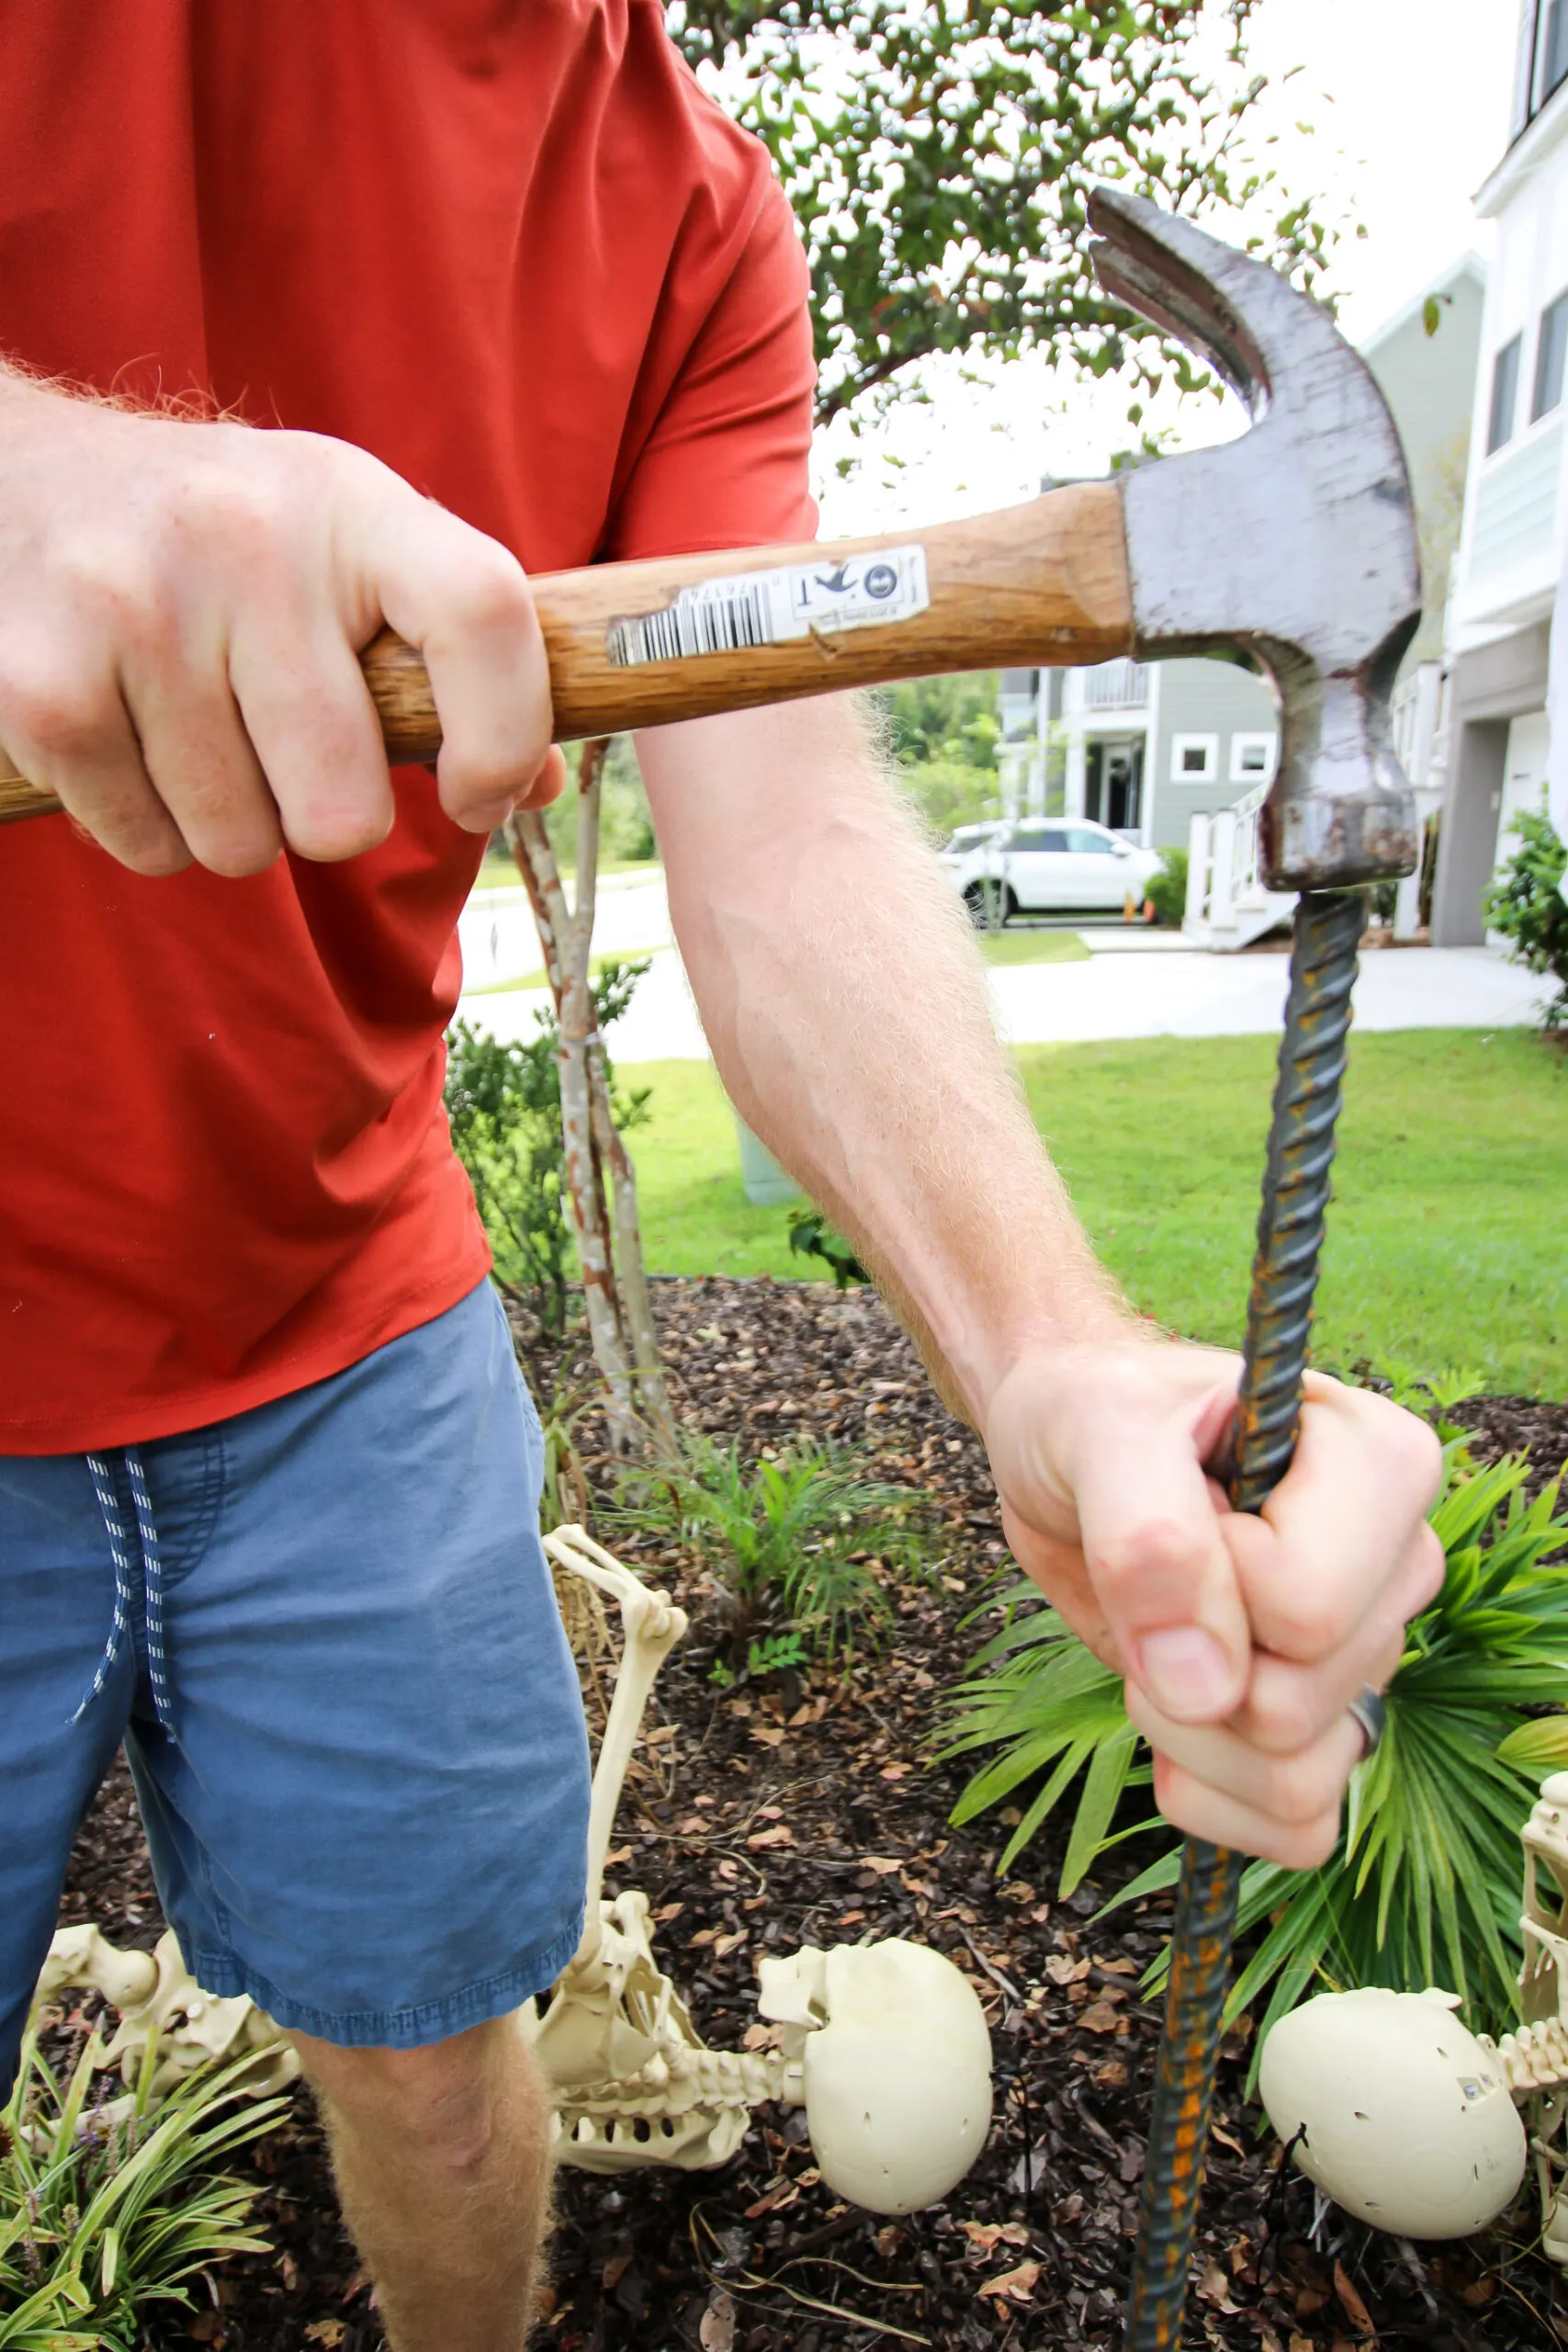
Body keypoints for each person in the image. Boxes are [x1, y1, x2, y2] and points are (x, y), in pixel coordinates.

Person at [0, 8, 1442, 2348]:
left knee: (453, 2077)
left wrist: (1046, 1344)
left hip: (348, 1336)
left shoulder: (685, 211)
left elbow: (776, 845)